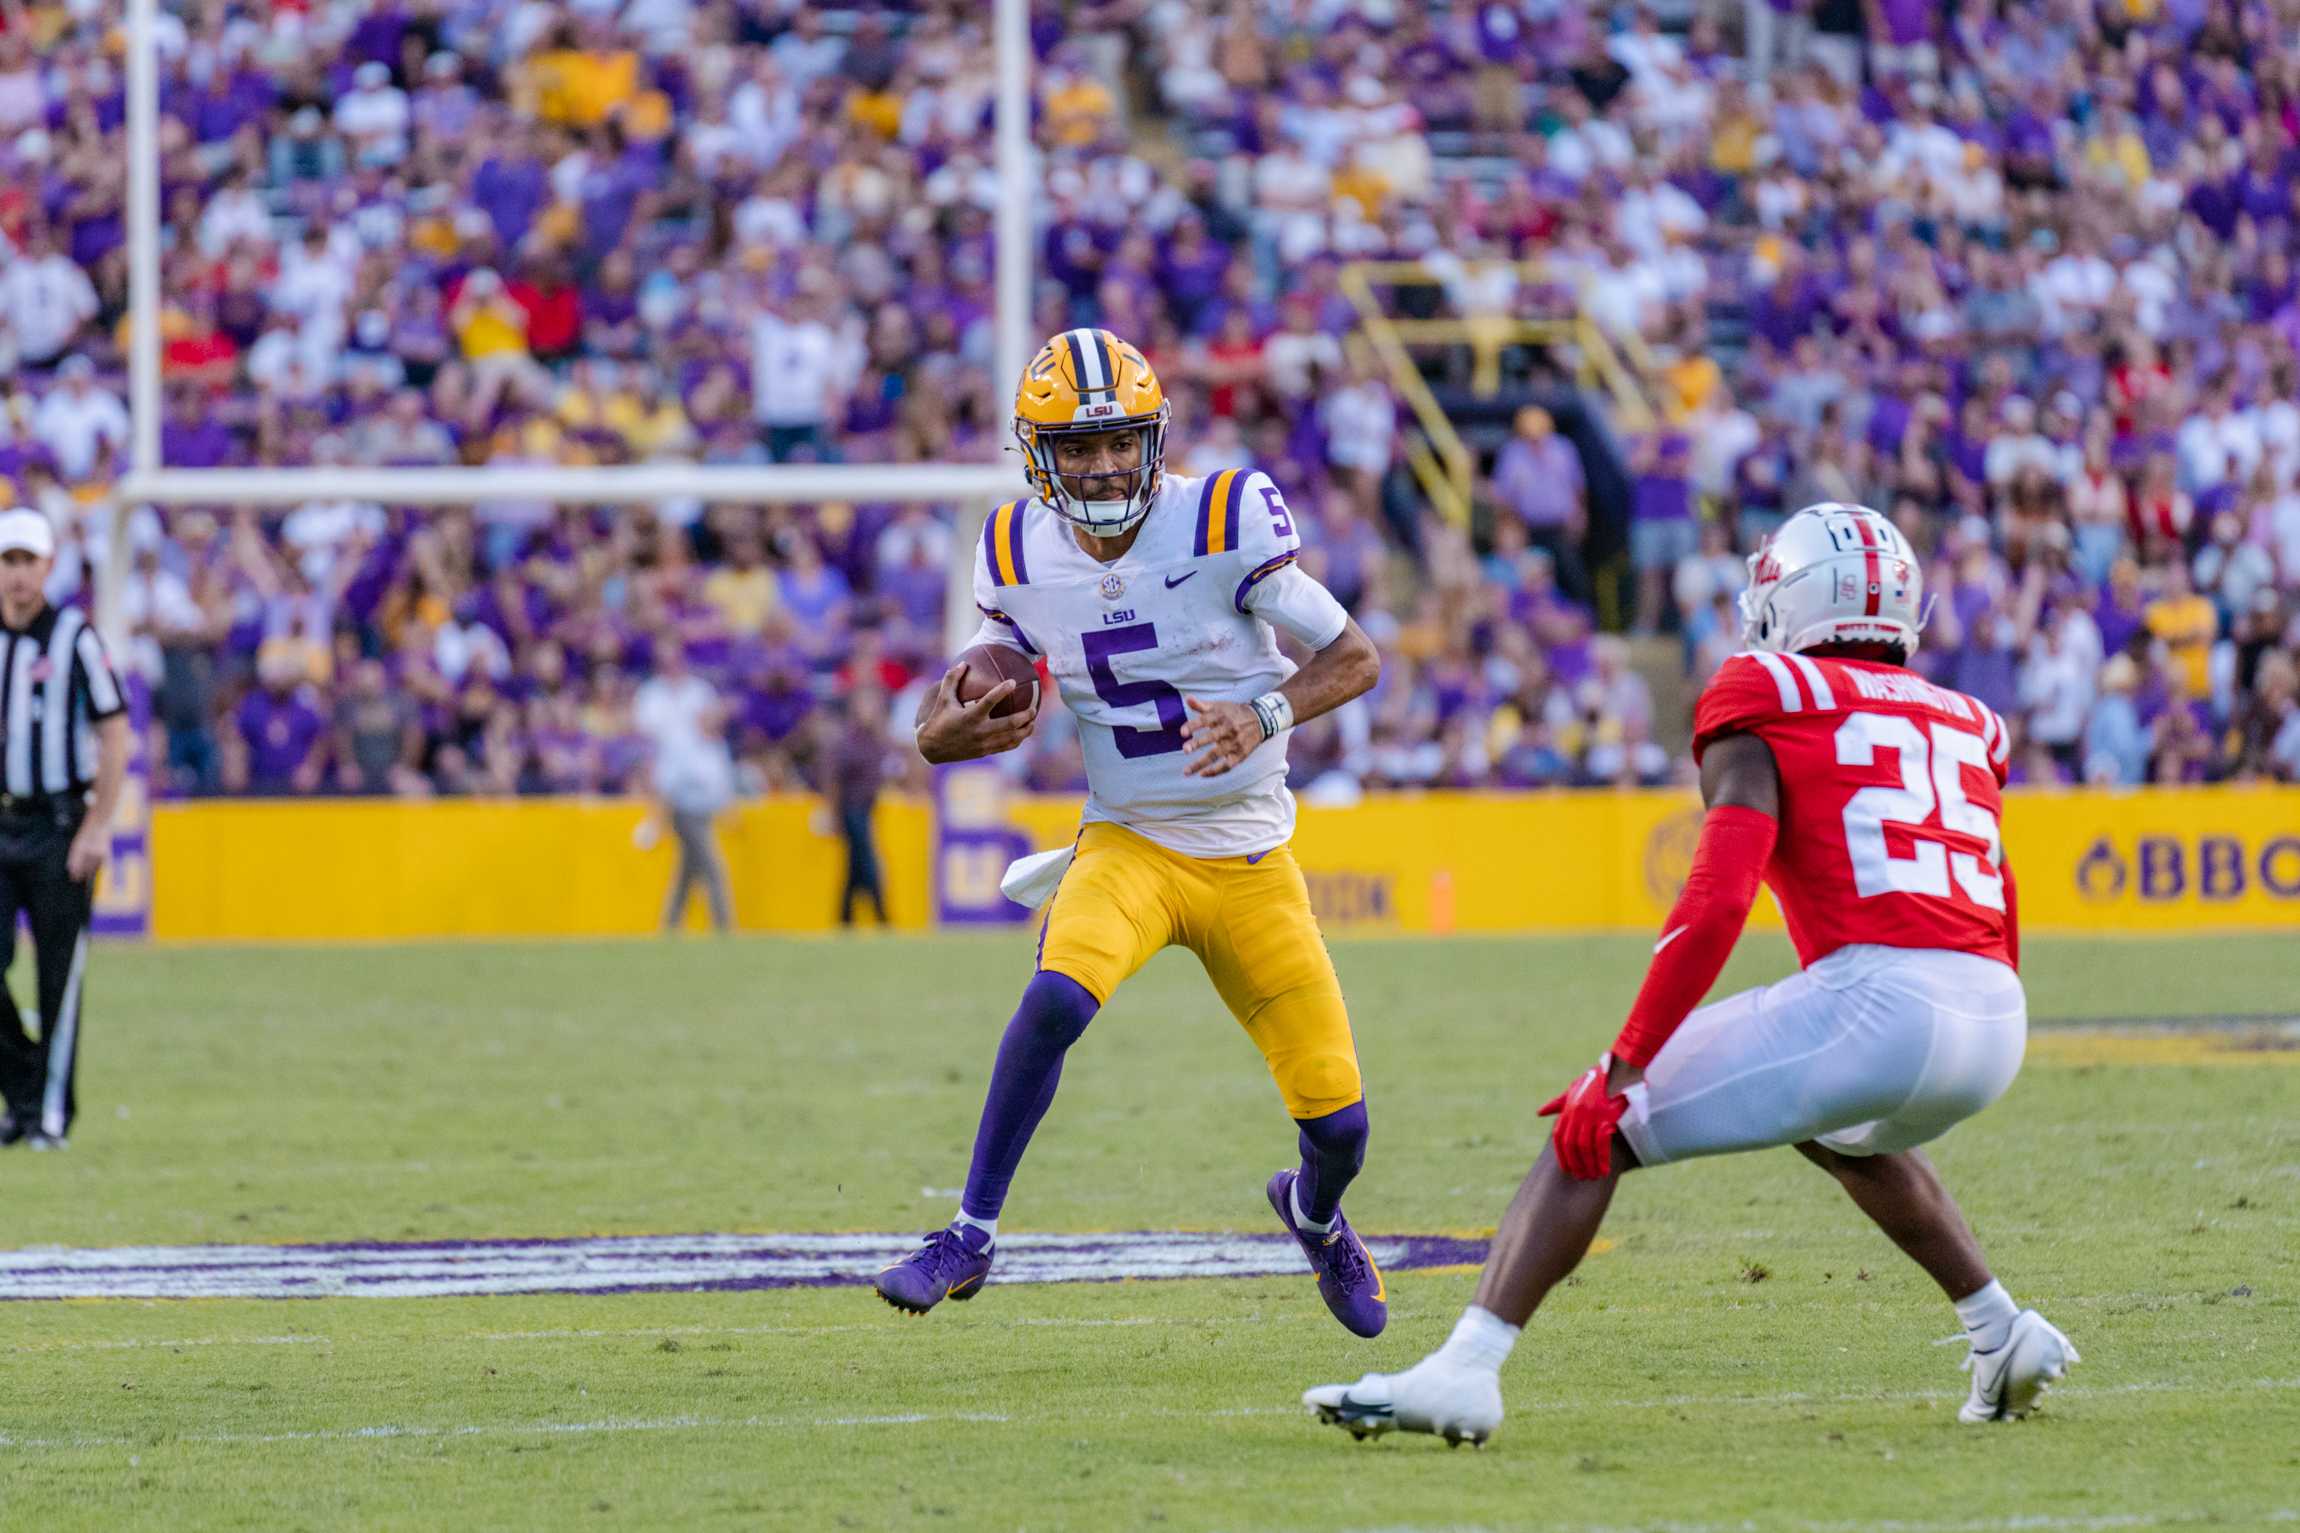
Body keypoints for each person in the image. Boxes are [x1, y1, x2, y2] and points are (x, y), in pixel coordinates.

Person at [1305, 502, 2076, 1442]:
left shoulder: (1764, 687)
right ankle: (2001, 1331)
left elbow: (1717, 901)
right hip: (1995, 1013)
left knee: (1598, 1124)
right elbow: (2003, 894)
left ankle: (1465, 1370)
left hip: (1883, 1000)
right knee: (1835, 1130)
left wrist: (1624, 1061)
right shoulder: (1970, 719)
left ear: (1786, 600)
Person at [875, 328, 1387, 1335]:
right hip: (1130, 839)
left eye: (1120, 441)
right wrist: (938, 734)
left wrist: (1263, 712)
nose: (1104, 464)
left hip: (1246, 853)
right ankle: (967, 1236)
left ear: (1153, 440)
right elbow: (965, 688)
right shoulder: (1013, 546)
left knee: (1340, 1126)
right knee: (1055, 997)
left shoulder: (1222, 517)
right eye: (1078, 446)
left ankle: (1315, 1217)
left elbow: (1356, 657)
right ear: (1039, 456)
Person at [0, 509, 130, 1149]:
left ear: (49, 567)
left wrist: (98, 825)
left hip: (58, 824)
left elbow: (114, 730)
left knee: (59, 976)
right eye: (8, 561)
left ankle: (47, 1113)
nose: (18, 575)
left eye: (28, 561)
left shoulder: (75, 637)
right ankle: (23, 1087)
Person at [633, 634, 735, 934]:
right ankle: (724, 925)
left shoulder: (715, 746)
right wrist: (659, 816)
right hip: (686, 810)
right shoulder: (684, 744)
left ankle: (671, 924)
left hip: (705, 810)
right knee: (713, 867)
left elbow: (721, 783)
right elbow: (668, 783)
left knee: (688, 870)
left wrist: (726, 807)